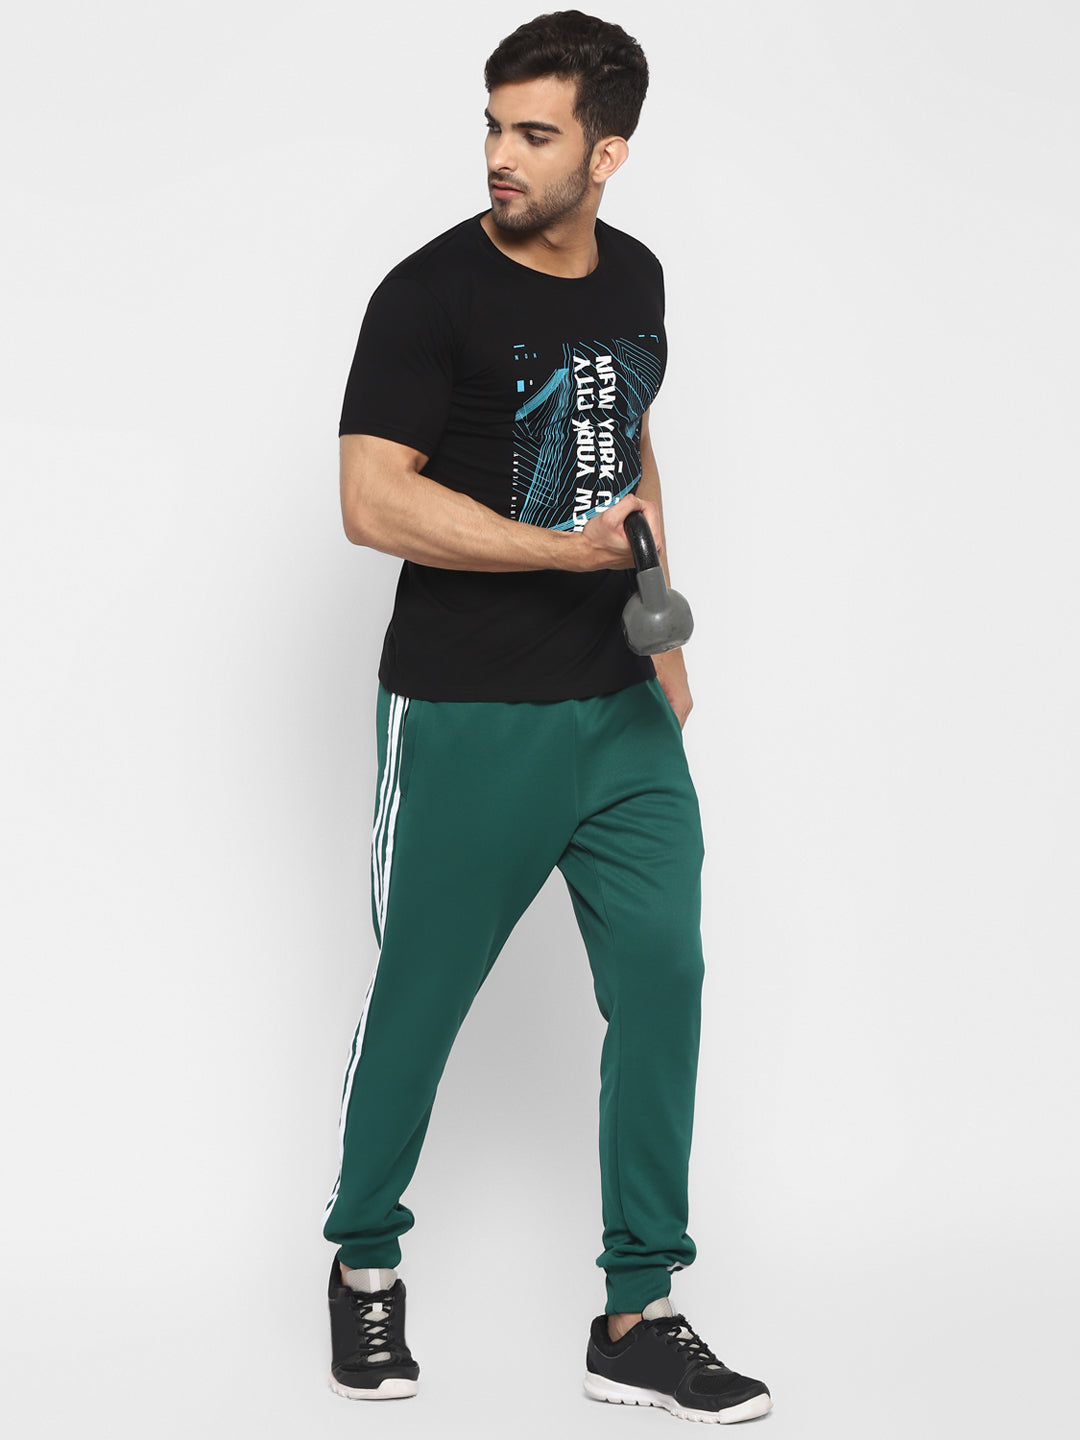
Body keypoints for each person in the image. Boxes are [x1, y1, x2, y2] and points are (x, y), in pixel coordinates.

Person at [322, 10, 772, 1425]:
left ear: (607, 152)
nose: (500, 157)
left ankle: (639, 1311)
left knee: (666, 980)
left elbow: (627, 442)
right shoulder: (426, 295)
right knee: (421, 998)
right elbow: (370, 501)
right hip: (467, 714)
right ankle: (365, 1260)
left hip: (619, 709)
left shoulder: (635, 276)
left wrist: (658, 615)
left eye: (534, 133)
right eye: (493, 127)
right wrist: (557, 554)